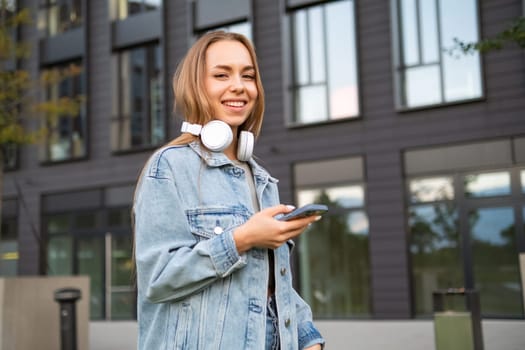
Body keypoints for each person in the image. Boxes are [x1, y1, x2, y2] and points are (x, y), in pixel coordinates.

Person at [133, 31, 325, 350]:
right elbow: (157, 279)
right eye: (222, 74)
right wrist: (242, 238)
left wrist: (307, 337)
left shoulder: (261, 179)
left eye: (247, 76)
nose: (239, 85)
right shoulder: (168, 167)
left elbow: (272, 284)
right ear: (197, 85)